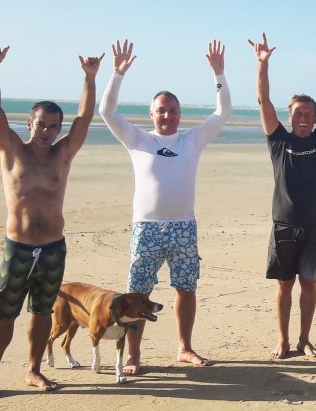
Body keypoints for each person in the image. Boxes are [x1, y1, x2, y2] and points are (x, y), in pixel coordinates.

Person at [0, 41, 101, 401]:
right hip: (19, 248)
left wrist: (90, 78)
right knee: (4, 315)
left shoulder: (63, 154)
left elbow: (85, 118)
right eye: (42, 124)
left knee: (43, 312)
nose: (47, 131)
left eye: (53, 126)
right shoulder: (12, 150)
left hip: (53, 248)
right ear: (30, 124)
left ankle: (34, 370)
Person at [99, 38, 231, 375]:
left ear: (180, 114)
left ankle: (184, 348)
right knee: (137, 294)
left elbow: (222, 113)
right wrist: (117, 74)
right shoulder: (138, 140)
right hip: (147, 228)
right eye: (161, 110)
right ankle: (134, 355)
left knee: (186, 288)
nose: (167, 115)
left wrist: (219, 75)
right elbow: (107, 112)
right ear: (151, 114)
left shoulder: (192, 140)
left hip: (183, 226)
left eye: (172, 110)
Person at [252, 32, 316, 360]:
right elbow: (263, 100)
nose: (304, 118)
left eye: (309, 113)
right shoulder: (278, 140)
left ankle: (304, 340)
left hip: (313, 225)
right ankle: (282, 340)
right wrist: (262, 65)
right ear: (290, 116)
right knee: (284, 284)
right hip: (283, 224)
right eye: (298, 113)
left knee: (308, 283)